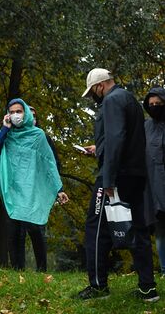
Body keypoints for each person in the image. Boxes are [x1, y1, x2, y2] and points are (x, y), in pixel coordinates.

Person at [76, 68, 158, 302]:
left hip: (114, 178)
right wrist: (98, 149)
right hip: (135, 175)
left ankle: (98, 286)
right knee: (138, 229)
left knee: (95, 229)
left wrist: (109, 179)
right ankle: (147, 288)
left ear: (99, 86)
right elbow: (126, 138)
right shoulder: (129, 98)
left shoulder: (110, 101)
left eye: (92, 92)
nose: (93, 96)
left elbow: (116, 138)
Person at [0, 98, 68, 272]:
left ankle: (41, 269)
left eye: (19, 111)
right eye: (12, 112)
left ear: (26, 114)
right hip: (13, 189)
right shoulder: (6, 135)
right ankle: (18, 270)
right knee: (14, 231)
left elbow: (49, 163)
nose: (16, 115)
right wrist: (5, 128)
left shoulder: (38, 136)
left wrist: (58, 189)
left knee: (34, 229)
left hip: (32, 189)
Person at [143, 87, 165, 276]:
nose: (155, 107)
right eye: (151, 104)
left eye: (158, 103)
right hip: (154, 186)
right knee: (160, 231)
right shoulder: (145, 127)